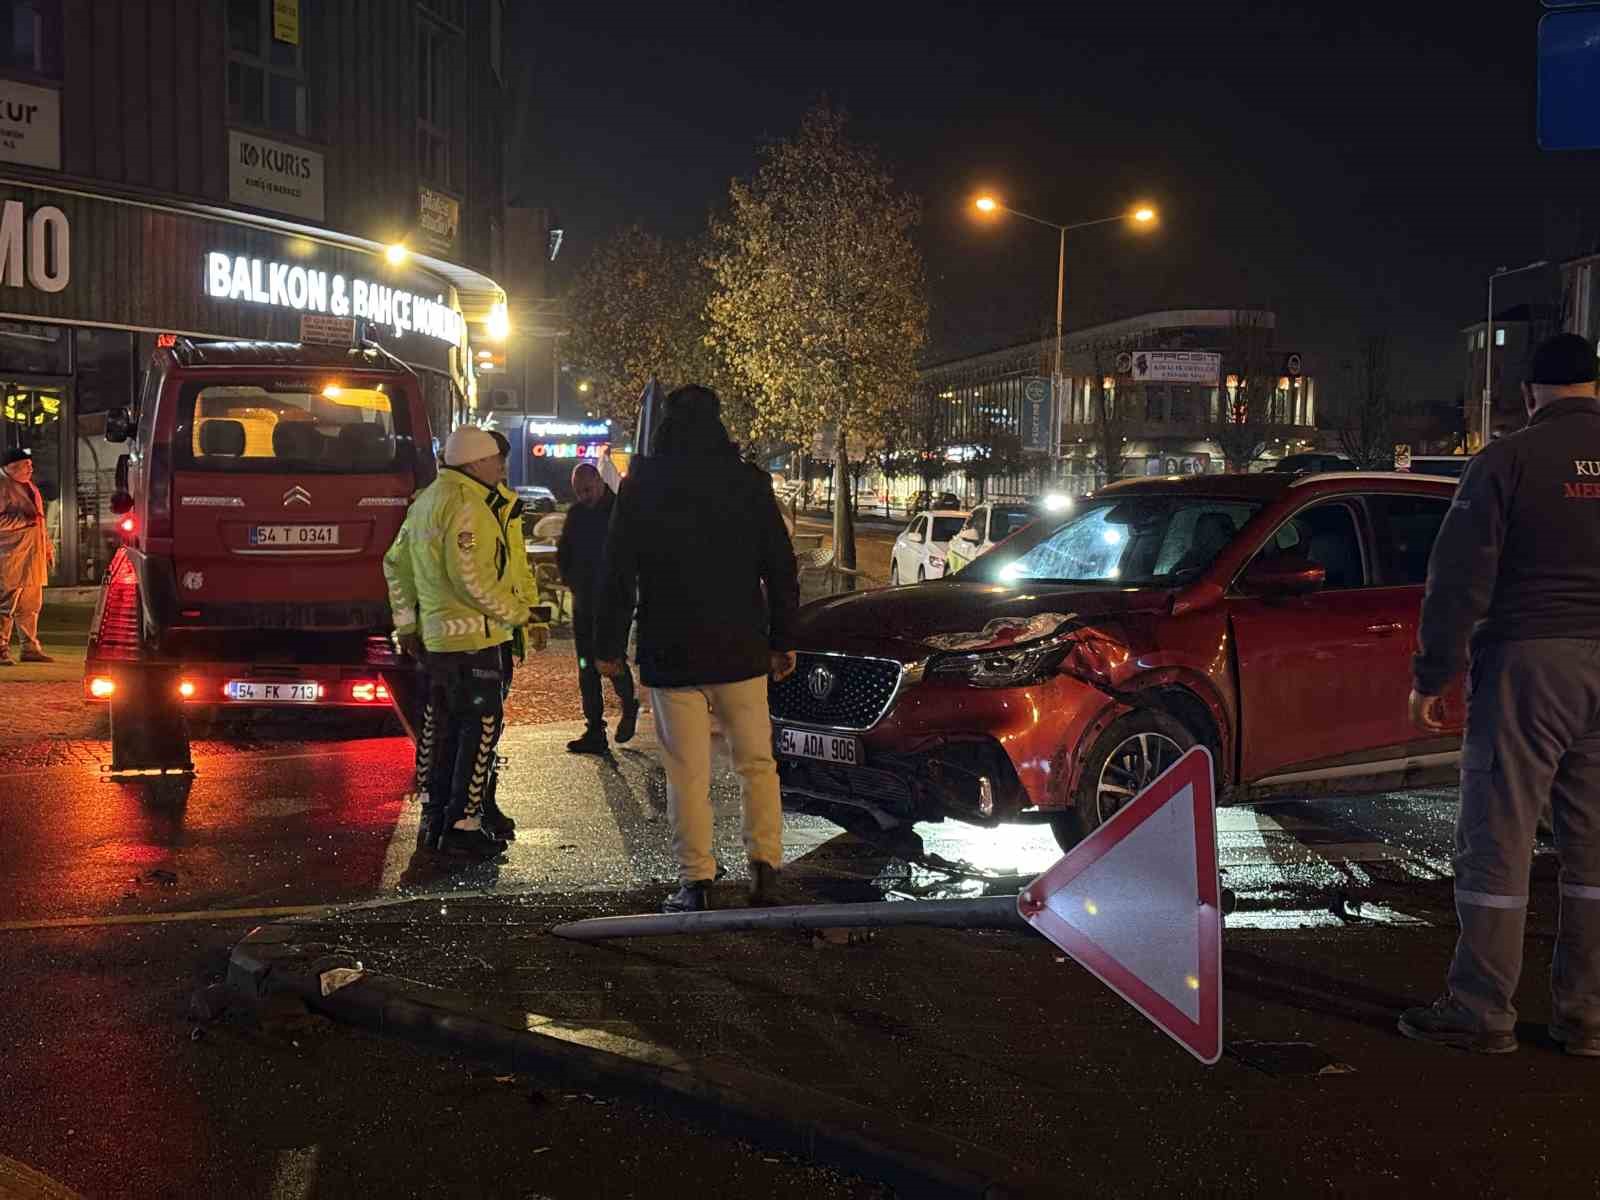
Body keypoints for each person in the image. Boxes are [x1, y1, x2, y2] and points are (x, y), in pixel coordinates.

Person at [1403, 332, 1600, 1055]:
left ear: (1529, 394)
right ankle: (1588, 1018)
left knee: (1500, 835)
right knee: (1596, 854)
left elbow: (1459, 576)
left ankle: (1482, 1009)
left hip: (1529, 662)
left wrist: (1433, 673)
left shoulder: (1509, 459)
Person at [595, 385, 799, 913]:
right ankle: (765, 869)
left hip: (672, 649)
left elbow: (617, 573)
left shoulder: (642, 487)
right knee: (757, 762)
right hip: (740, 649)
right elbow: (780, 566)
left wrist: (609, 644)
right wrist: (783, 639)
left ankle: (697, 881)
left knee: (686, 771)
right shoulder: (749, 482)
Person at [382, 426, 535, 859]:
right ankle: (464, 824)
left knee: (441, 726)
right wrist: (521, 614)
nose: (502, 466)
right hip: (474, 637)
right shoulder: (469, 504)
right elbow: (471, 579)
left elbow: (395, 564)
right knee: (481, 728)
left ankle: (434, 817)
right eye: (495, 459)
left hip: (437, 640)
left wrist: (408, 624)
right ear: (474, 462)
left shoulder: (427, 501)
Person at [557, 461, 640, 755]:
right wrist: (573, 581)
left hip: (615, 601)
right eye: (578, 492)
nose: (583, 496)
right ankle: (594, 728)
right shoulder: (578, 514)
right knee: (586, 667)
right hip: (585, 601)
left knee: (610, 658)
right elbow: (564, 551)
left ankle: (628, 706)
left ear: (599, 482)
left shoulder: (621, 512)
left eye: (587, 490)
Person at [0, 447, 53, 665]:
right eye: (26, 464)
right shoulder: (2, 486)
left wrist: (48, 547)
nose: (31, 468)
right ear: (12, 467)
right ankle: (1, 648)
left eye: (31, 464)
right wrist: (23, 520)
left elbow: (39, 522)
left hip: (32, 554)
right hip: (10, 555)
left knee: (30, 605)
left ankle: (29, 647)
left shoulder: (28, 486)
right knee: (5, 604)